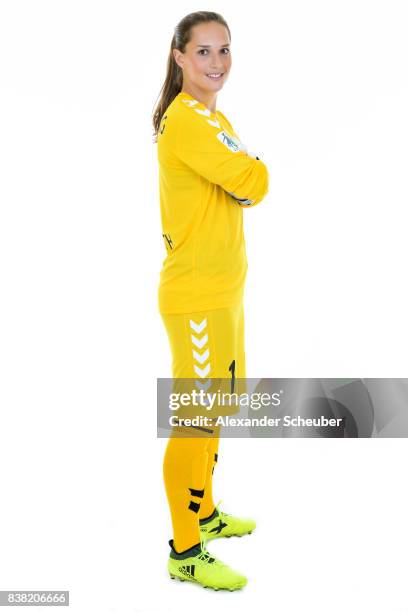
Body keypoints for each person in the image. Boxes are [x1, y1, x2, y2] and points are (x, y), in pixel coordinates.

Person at [152, 11, 269, 591]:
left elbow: (241, 180)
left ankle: (203, 511)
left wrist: (246, 175)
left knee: (219, 408)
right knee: (195, 419)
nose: (217, 63)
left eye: (224, 50)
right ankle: (185, 549)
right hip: (196, 295)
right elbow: (251, 182)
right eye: (203, 52)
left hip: (226, 290)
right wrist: (253, 174)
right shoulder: (187, 123)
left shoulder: (211, 118)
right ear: (179, 57)